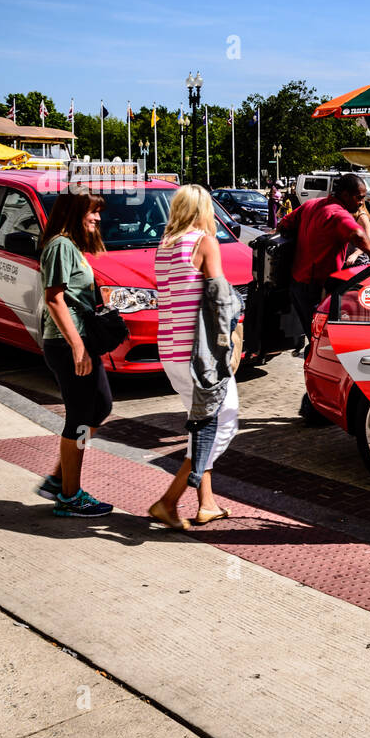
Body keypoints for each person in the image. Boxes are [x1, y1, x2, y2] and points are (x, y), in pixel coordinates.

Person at [148, 185, 240, 530]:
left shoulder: (165, 246)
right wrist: (230, 342)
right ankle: (168, 501)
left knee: (201, 422)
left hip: (171, 352)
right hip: (198, 355)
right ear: (203, 210)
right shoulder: (204, 242)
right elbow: (219, 300)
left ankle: (207, 503)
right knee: (223, 420)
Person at [36, 187, 115, 517]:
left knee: (100, 407)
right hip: (68, 344)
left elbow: (71, 296)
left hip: (78, 341)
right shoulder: (60, 246)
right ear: (73, 212)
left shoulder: (72, 247)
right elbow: (54, 298)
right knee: (81, 418)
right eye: (91, 211)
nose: (98, 217)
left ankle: (58, 479)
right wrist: (78, 347)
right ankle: (69, 496)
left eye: (98, 211)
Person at [277, 172, 370, 355]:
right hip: (316, 288)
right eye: (359, 197)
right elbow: (358, 235)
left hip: (297, 282)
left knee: (315, 337)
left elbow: (284, 225)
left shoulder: (311, 204)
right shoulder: (338, 214)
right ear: (345, 194)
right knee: (323, 342)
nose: (361, 203)